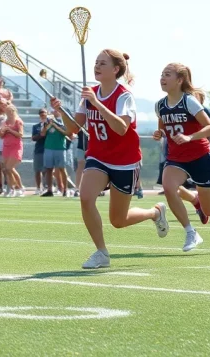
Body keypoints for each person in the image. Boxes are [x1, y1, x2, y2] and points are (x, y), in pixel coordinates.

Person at [51, 49, 167, 269]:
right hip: (98, 157)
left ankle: (155, 212)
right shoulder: (88, 95)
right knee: (85, 197)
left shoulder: (124, 95)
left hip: (125, 161)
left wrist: (96, 102)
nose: (97, 66)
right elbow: (73, 129)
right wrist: (61, 111)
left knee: (118, 221)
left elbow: (121, 128)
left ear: (115, 70)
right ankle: (101, 252)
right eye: (96, 62)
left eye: (102, 63)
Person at [154, 63, 210, 251]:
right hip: (177, 159)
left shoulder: (189, 101)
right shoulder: (160, 105)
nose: (162, 78)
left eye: (167, 75)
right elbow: (163, 128)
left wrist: (190, 137)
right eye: (162, 74)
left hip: (200, 157)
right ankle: (190, 231)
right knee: (169, 187)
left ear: (179, 80)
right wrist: (159, 134)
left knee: (209, 209)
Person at [41, 109, 71, 197]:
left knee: (62, 168)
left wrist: (56, 126)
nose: (54, 112)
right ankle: (49, 190)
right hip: (49, 148)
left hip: (60, 148)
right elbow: (42, 134)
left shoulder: (63, 122)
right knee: (49, 169)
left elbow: (66, 133)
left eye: (56, 111)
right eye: (53, 111)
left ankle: (65, 190)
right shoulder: (47, 122)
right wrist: (49, 125)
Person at [0, 103, 24, 197]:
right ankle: (12, 189)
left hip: (16, 146)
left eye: (10, 112)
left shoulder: (18, 121)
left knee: (10, 167)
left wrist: (10, 130)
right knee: (7, 169)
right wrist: (4, 131)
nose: (8, 114)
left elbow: (20, 134)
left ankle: (19, 187)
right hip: (6, 146)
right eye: (7, 112)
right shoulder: (4, 122)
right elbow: (1, 136)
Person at [31, 108, 51, 195]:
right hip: (39, 149)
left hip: (48, 149)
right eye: (41, 114)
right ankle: (38, 187)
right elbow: (33, 137)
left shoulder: (51, 125)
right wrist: (41, 135)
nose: (43, 116)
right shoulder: (36, 126)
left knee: (46, 170)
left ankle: (47, 186)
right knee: (37, 169)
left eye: (44, 114)